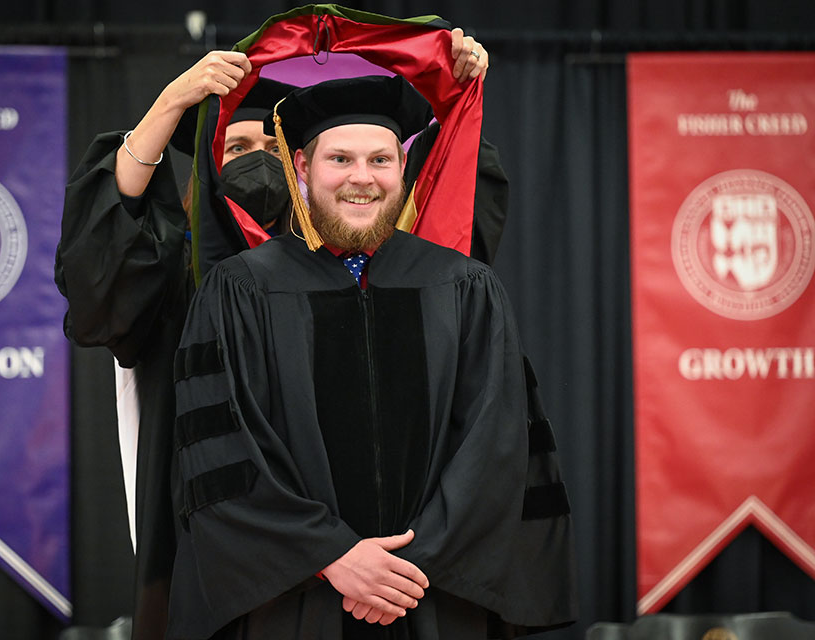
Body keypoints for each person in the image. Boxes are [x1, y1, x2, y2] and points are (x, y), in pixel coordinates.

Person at [54, 29, 496, 640]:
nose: (257, 161)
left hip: (394, 572)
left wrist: (455, 88)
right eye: (236, 146)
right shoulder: (181, 270)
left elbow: (455, 218)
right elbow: (99, 272)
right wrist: (170, 106)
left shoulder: (384, 268)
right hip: (232, 547)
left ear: (299, 166)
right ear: (210, 163)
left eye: (271, 144)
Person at [167, 75, 575, 640]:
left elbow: (498, 443)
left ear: (402, 172)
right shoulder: (240, 291)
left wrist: (410, 564)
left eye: (380, 159)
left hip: (431, 596)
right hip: (294, 601)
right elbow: (224, 450)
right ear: (303, 168)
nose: (363, 178)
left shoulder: (464, 287)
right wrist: (331, 554)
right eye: (341, 159)